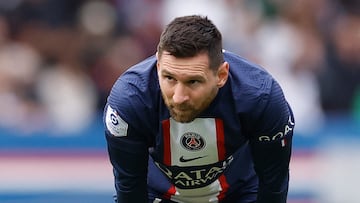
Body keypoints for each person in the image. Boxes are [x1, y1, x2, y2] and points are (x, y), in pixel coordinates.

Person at [104, 15, 295, 203]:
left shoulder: (261, 97)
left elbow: (273, 187)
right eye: (169, 78)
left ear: (221, 75)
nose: (179, 97)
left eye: (193, 81)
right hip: (157, 195)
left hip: (241, 193)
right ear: (158, 66)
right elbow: (129, 190)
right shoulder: (128, 102)